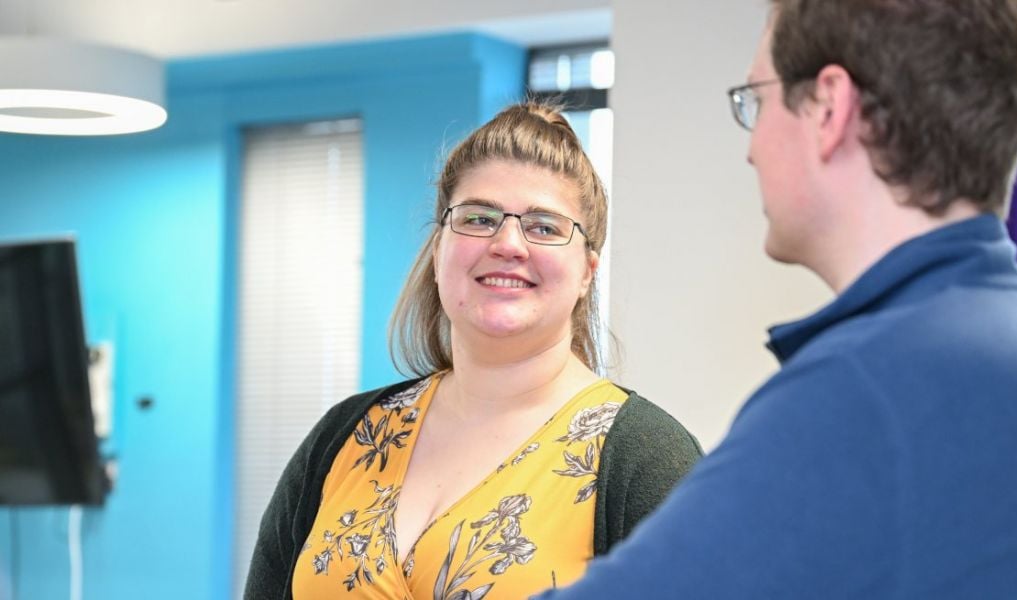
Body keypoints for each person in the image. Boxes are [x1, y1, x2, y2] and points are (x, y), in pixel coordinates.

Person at [535, 1, 1017, 598]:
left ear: (829, 108)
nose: (751, 149)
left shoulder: (883, 377)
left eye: (756, 99)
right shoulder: (990, 322)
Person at [243, 102, 701, 600]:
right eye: (478, 218)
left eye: (544, 226)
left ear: (587, 272)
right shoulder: (345, 436)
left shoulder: (645, 459)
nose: (507, 243)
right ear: (439, 253)